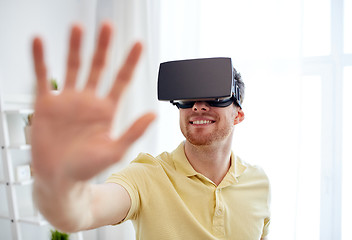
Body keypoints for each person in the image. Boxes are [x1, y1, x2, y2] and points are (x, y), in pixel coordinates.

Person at [31, 22, 270, 240]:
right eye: (188, 99)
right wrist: (61, 183)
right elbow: (81, 212)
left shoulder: (258, 182)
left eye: (215, 97)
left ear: (238, 115)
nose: (198, 106)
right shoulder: (146, 175)